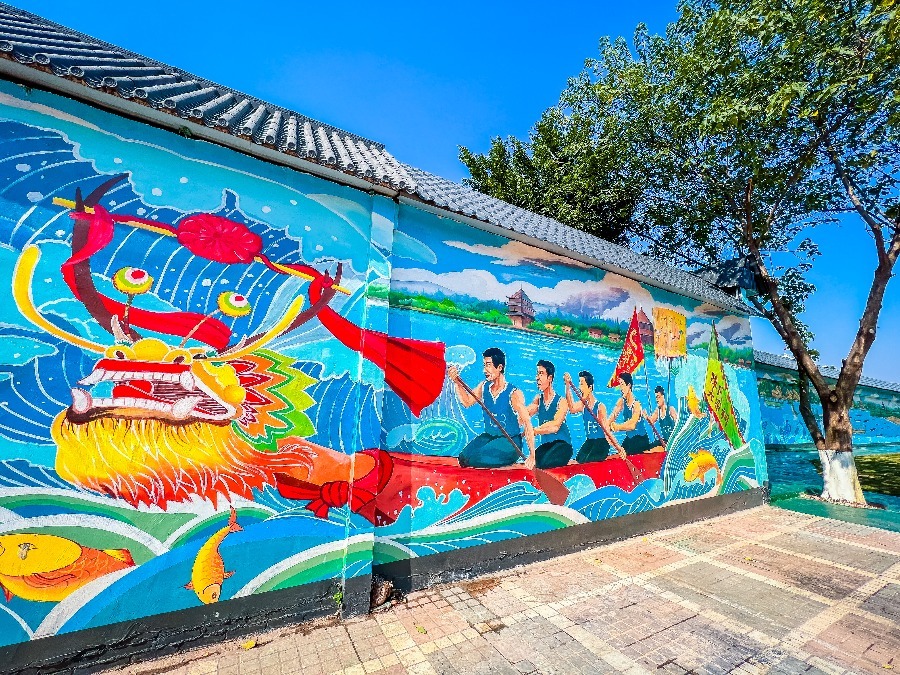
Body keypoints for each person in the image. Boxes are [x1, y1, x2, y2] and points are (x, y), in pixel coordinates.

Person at [448, 347, 536, 468]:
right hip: (489, 436)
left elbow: (527, 422)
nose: (485, 370)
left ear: (499, 367)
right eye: (484, 365)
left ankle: (508, 460)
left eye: (488, 365)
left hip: (509, 442)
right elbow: (467, 402)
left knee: (474, 459)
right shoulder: (484, 386)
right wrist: (457, 383)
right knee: (463, 458)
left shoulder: (513, 393)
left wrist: (532, 456)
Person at [563, 370, 625, 463]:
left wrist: (619, 448)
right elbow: (571, 408)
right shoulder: (583, 405)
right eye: (579, 384)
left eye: (582, 384)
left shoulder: (600, 407)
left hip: (601, 444)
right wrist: (567, 386)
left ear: (590, 387)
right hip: (590, 442)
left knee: (585, 463)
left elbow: (607, 432)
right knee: (575, 462)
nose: (579, 387)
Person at [524, 360, 573, 469]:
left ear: (550, 378)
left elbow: (555, 426)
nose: (537, 378)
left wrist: (535, 431)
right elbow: (525, 414)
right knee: (533, 462)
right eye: (537, 374)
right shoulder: (538, 400)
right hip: (547, 447)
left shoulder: (561, 402)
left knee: (542, 464)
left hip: (562, 446)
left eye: (541, 374)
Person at [608, 372, 664, 454]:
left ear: (629, 385)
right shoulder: (621, 401)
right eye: (619, 385)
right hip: (629, 439)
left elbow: (632, 425)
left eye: (622, 384)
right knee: (619, 455)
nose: (620, 388)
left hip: (639, 440)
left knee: (627, 455)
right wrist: (607, 425)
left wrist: (617, 427)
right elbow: (613, 415)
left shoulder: (636, 404)